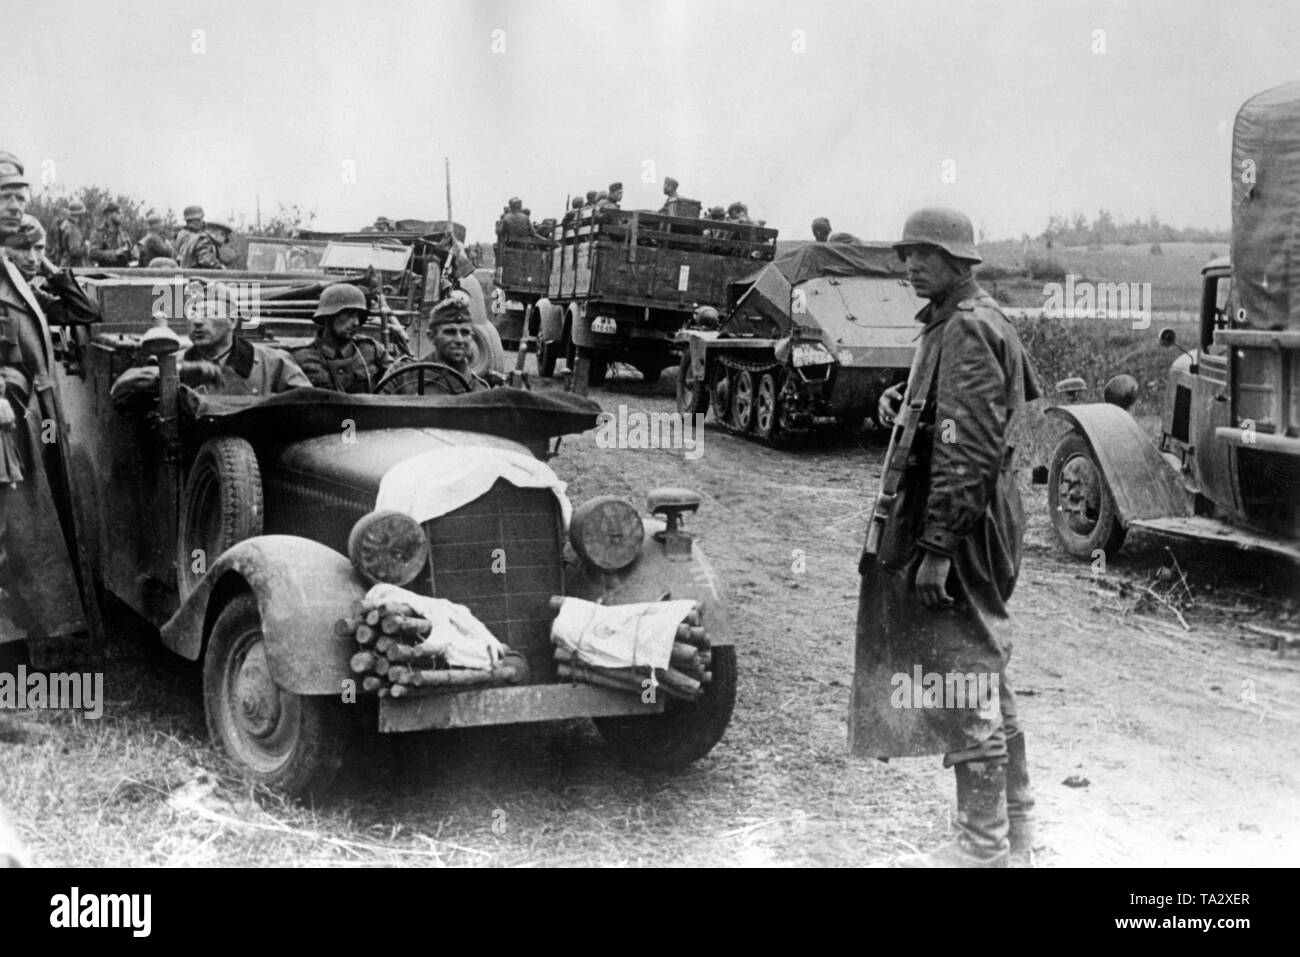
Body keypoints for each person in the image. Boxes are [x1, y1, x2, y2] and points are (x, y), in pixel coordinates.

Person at [849, 207, 1041, 868]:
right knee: (984, 666)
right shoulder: (967, 320)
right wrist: (906, 402)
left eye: (925, 254)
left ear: (960, 261)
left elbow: (969, 453)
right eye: (905, 253)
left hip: (962, 528)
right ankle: (1016, 832)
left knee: (960, 678)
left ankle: (981, 850)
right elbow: (959, 416)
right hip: (980, 520)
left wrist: (935, 550)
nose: (910, 265)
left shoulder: (963, 328)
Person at [0, 152, 96, 651]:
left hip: (30, 417)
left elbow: (86, 310)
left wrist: (46, 264)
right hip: (10, 421)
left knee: (34, 532)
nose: (17, 205)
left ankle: (41, 642)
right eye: (7, 197)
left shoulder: (18, 280)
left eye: (21, 196)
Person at [111, 281, 310, 402]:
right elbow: (120, 394)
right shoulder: (176, 363)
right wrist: (180, 372)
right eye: (193, 313)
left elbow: (308, 405)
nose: (197, 321)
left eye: (209, 313)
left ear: (232, 321)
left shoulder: (272, 362)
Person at [291, 283, 391, 393]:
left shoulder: (371, 350)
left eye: (359, 316)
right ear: (329, 315)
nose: (356, 322)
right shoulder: (300, 358)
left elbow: (399, 377)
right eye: (349, 314)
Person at [2, 216, 99, 325]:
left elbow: (87, 313)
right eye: (23, 248)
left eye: (39, 248)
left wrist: (53, 272)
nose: (32, 259)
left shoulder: (29, 294)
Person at [418, 293, 492, 392]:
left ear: (472, 337)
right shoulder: (405, 376)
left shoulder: (479, 391)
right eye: (450, 332)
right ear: (432, 337)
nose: (459, 340)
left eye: (465, 333)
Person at [55, 199, 91, 268]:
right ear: (80, 214)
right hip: (73, 266)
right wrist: (86, 247)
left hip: (65, 263)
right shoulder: (72, 229)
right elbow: (75, 252)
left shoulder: (65, 224)